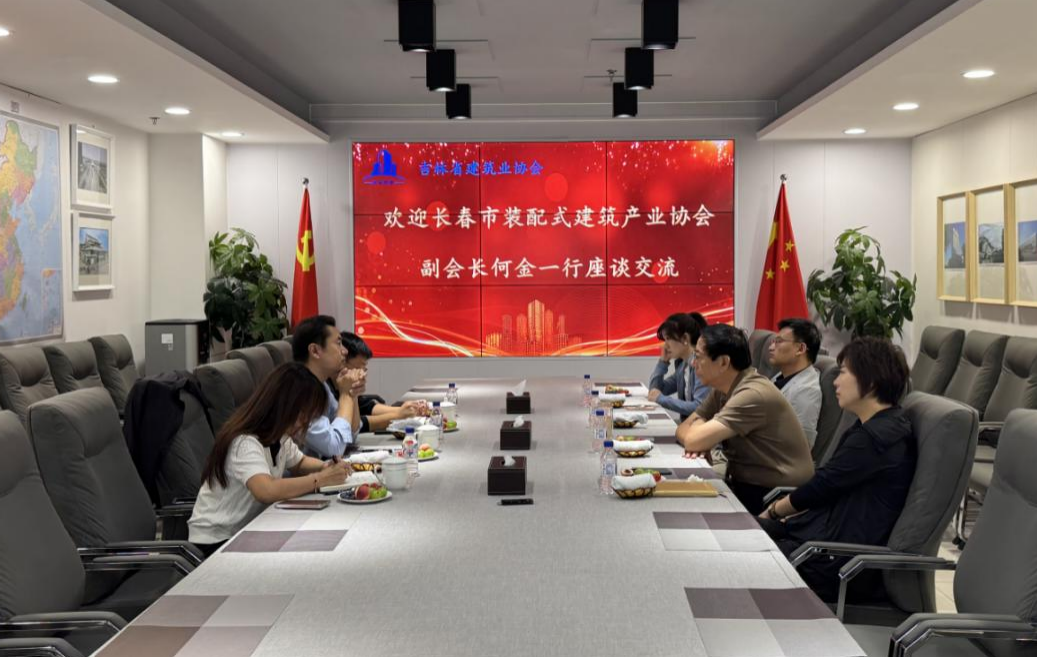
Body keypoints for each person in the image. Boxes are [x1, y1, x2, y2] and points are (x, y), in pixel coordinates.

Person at [757, 337, 915, 601]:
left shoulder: (874, 439)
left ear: (870, 381)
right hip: (823, 541)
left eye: (843, 373)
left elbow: (822, 486)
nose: (835, 382)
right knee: (744, 531)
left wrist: (774, 510)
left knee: (743, 546)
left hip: (832, 561)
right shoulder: (879, 425)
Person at [188, 362, 354, 555]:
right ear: (284, 406)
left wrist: (325, 467)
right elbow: (266, 490)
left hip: (249, 530)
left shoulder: (279, 436)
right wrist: (320, 479)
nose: (305, 422)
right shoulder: (244, 442)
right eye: (304, 415)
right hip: (216, 541)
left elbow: (299, 462)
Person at [676, 324, 814, 514]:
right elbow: (682, 429)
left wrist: (700, 436)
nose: (693, 364)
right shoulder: (723, 387)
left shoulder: (752, 394)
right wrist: (699, 436)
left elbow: (692, 439)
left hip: (774, 497)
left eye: (698, 357)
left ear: (723, 362)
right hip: (746, 484)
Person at [292, 315, 365, 458]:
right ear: (315, 351)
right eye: (338, 343)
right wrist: (345, 395)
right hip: (300, 472)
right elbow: (334, 448)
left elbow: (349, 435)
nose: (345, 351)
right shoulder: (300, 392)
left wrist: (352, 392)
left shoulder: (321, 385)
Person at [340, 330, 426, 432]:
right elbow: (355, 425)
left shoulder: (346, 387)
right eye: (359, 368)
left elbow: (366, 406)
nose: (363, 375)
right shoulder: (328, 391)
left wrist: (408, 409)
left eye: (364, 369)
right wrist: (398, 415)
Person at [766, 318, 823, 448]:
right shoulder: (782, 376)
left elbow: (800, 447)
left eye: (778, 342)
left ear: (800, 348)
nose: (771, 347)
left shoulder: (807, 391)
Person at [648, 312, 711, 420]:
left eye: (668, 338)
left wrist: (661, 399)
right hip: (689, 426)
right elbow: (656, 390)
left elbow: (699, 407)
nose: (665, 345)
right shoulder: (683, 366)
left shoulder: (700, 365)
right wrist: (663, 362)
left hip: (701, 427)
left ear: (685, 338)